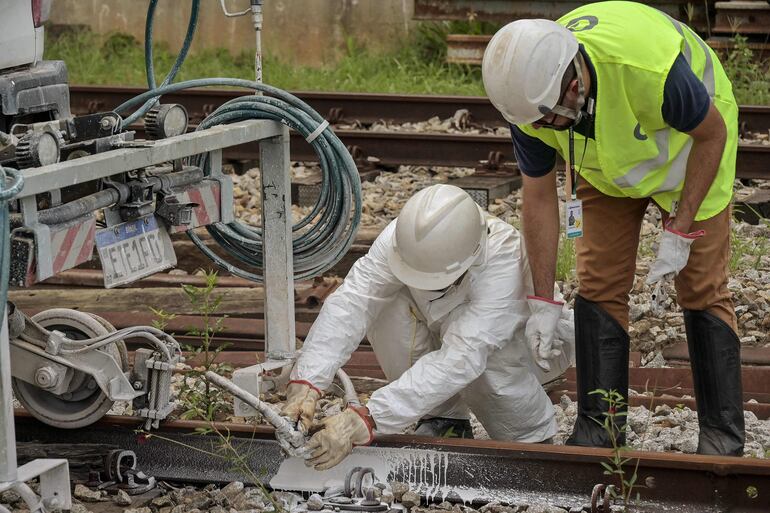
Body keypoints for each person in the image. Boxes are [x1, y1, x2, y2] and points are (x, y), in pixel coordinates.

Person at [481, 1, 743, 455]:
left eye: (550, 118)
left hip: (692, 149)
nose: (543, 128)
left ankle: (722, 437)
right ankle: (600, 429)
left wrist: (679, 229)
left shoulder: (645, 68)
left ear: (575, 82)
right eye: (535, 122)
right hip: (606, 162)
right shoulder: (527, 98)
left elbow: (712, 135)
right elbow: (539, 197)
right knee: (598, 283)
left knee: (701, 286)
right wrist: (543, 298)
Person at [280, 184, 574, 471]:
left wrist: (364, 419)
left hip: (528, 350)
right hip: (448, 328)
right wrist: (307, 383)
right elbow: (353, 302)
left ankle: (530, 443)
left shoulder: (504, 263)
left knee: (484, 360)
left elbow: (461, 358)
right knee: (385, 301)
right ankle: (445, 420)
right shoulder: (403, 239)